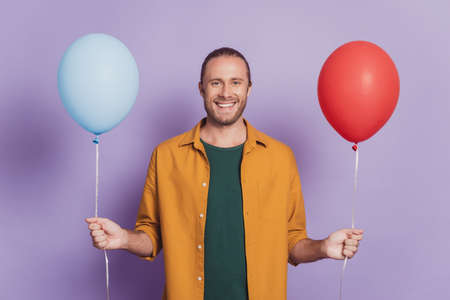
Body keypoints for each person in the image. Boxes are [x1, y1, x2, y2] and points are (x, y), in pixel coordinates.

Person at [85, 47, 364, 300]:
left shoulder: (280, 158)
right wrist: (122, 238)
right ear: (201, 89)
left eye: (236, 83)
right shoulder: (166, 156)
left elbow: (292, 242)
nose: (226, 93)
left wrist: (324, 248)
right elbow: (151, 236)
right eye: (216, 83)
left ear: (249, 89)